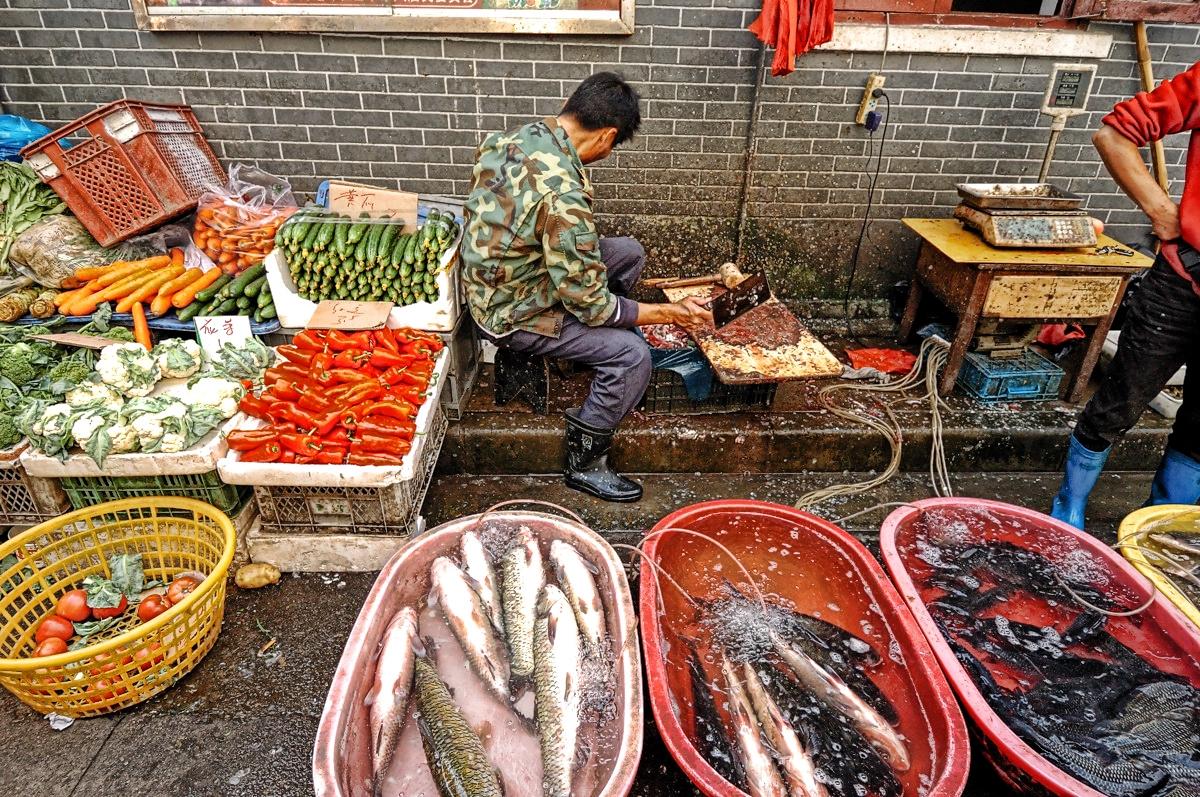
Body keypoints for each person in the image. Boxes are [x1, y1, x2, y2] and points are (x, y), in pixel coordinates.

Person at [459, 72, 712, 503]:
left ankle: (580, 349)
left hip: (499, 277)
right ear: (606, 136)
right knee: (632, 357)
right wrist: (670, 313)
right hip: (510, 311)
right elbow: (594, 306)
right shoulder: (564, 196)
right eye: (613, 146)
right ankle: (585, 463)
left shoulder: (515, 138)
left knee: (628, 252)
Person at [1051, 62, 1200, 528]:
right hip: (1182, 280)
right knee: (1122, 398)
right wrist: (1162, 211)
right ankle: (1069, 506)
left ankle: (1160, 524)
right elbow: (1113, 135)